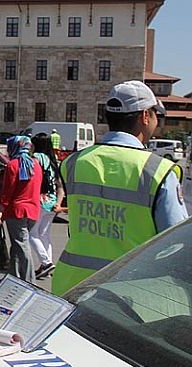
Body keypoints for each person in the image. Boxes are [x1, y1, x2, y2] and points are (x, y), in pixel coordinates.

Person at [52, 80, 188, 296]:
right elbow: (176, 245)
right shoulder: (158, 170)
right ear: (145, 116)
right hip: (130, 295)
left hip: (70, 285)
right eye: (155, 114)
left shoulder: (74, 163)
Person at [0, 135, 42, 283]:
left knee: (22, 245)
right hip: (33, 211)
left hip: (16, 211)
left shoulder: (13, 165)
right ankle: (14, 279)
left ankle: (29, 282)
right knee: (18, 246)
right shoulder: (36, 164)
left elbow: (7, 191)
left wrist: (0, 209)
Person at [29, 133, 65, 279]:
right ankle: (46, 265)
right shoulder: (53, 161)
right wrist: (59, 202)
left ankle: (46, 262)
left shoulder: (37, 157)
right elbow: (60, 185)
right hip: (52, 201)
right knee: (44, 234)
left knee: (31, 233)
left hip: (41, 200)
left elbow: (33, 177)